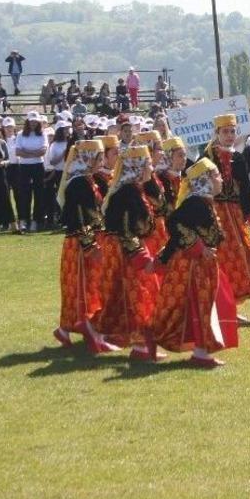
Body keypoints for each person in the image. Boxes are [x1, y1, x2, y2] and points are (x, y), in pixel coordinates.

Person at [151, 158, 239, 367]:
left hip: (200, 264)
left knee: (202, 305)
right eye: (216, 175)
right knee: (198, 305)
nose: (220, 179)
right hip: (192, 265)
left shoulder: (203, 201)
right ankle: (199, 352)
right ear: (204, 180)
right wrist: (197, 246)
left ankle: (200, 350)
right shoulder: (196, 203)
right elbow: (174, 223)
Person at [199, 114, 250, 316]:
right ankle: (218, 306)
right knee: (221, 258)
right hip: (214, 215)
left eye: (232, 131)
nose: (230, 136)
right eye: (225, 132)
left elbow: (247, 191)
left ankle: (232, 306)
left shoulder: (238, 158)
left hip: (235, 215)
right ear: (217, 134)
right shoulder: (206, 159)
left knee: (240, 257)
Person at [53, 138, 117, 354]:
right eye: (98, 158)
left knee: (87, 287)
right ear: (87, 159)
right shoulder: (78, 183)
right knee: (84, 287)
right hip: (81, 243)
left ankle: (65, 330)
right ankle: (92, 332)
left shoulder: (87, 180)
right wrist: (90, 245)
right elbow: (79, 218)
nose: (101, 162)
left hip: (88, 240)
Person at [98, 145, 162, 361]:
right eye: (147, 164)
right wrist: (140, 256)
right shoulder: (127, 193)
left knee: (142, 294)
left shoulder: (136, 189)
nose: (151, 168)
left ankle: (141, 345)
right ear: (137, 167)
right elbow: (126, 230)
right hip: (127, 251)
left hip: (131, 247)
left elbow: (160, 203)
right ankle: (140, 346)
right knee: (138, 295)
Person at [14, 114, 48, 232]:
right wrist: (34, 153)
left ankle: (36, 220)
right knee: (24, 194)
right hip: (24, 166)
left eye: (35, 121)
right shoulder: (20, 134)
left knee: (39, 194)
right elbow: (18, 152)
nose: (33, 123)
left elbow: (43, 151)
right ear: (27, 122)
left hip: (38, 165)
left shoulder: (42, 134)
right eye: (31, 121)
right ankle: (24, 220)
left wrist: (27, 152)